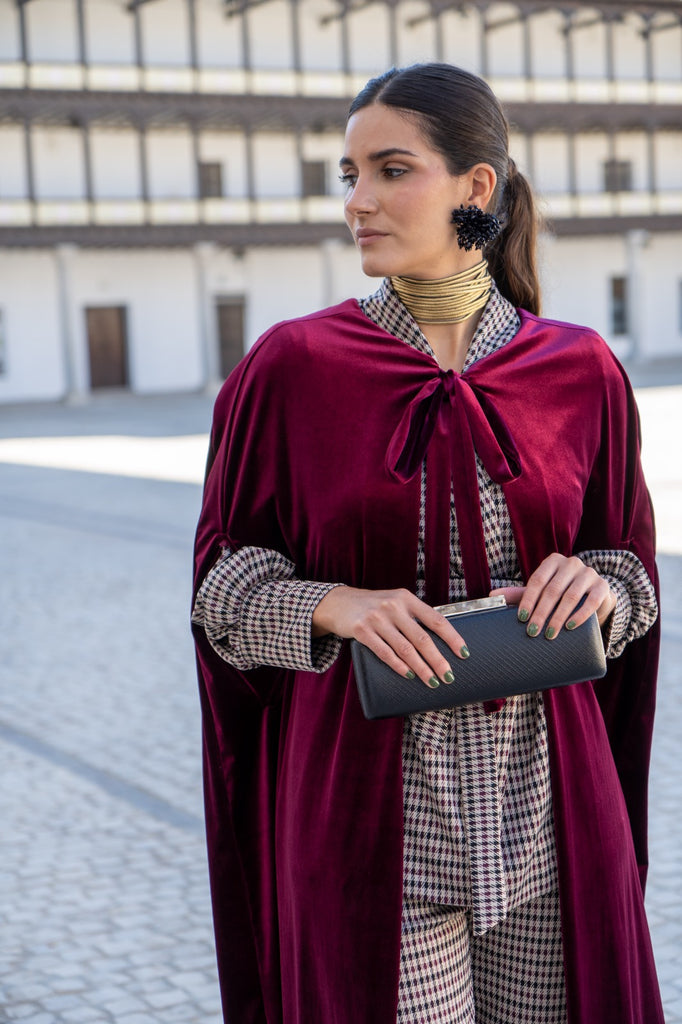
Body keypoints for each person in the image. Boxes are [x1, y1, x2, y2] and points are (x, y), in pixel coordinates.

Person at [192, 63, 663, 1024]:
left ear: (474, 187)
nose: (357, 201)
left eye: (391, 169)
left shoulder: (579, 369)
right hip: (371, 824)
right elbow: (221, 591)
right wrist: (334, 604)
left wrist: (602, 588)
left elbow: (632, 569)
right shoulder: (292, 367)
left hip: (549, 814)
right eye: (350, 174)